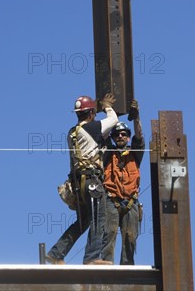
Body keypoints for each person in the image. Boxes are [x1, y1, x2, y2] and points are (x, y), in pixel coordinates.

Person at [46, 93, 118, 265]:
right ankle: (92, 258)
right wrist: (107, 106)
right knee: (98, 219)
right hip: (92, 180)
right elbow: (113, 119)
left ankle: (57, 253)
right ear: (91, 112)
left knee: (83, 220)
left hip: (79, 183)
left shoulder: (72, 132)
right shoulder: (92, 128)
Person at [100, 99, 144, 265]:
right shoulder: (107, 153)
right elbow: (102, 135)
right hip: (111, 200)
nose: (120, 136)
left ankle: (127, 268)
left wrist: (137, 117)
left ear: (128, 137)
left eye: (124, 134)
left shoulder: (135, 154)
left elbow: (139, 136)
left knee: (130, 238)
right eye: (117, 134)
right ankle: (106, 268)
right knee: (109, 235)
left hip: (131, 202)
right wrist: (110, 113)